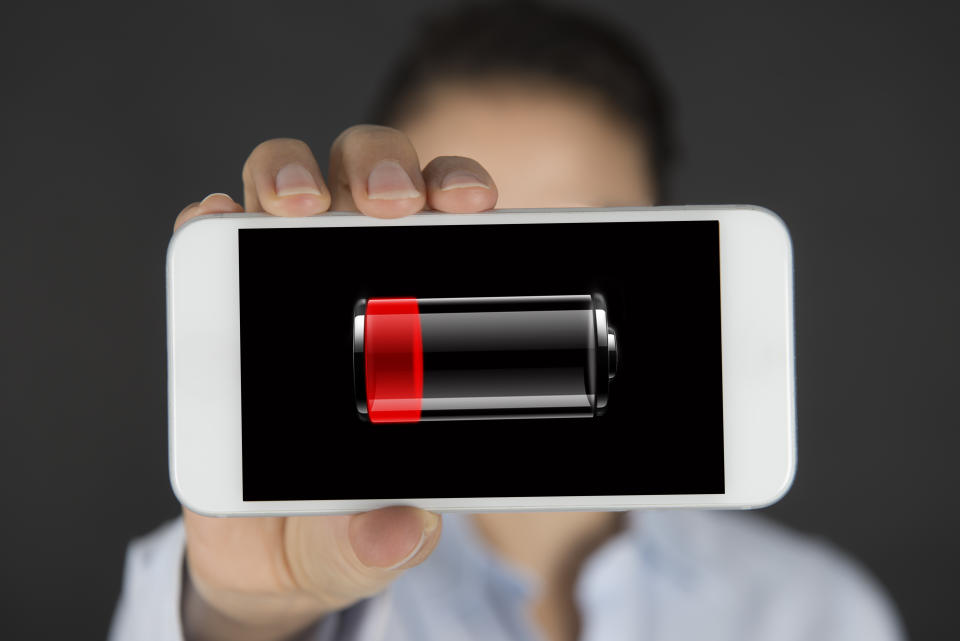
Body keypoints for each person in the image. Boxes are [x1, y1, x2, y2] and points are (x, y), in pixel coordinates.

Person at [109, 3, 905, 640]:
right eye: (471, 244)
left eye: (574, 239)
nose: (524, 288)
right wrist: (239, 623)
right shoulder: (312, 557)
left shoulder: (816, 614)